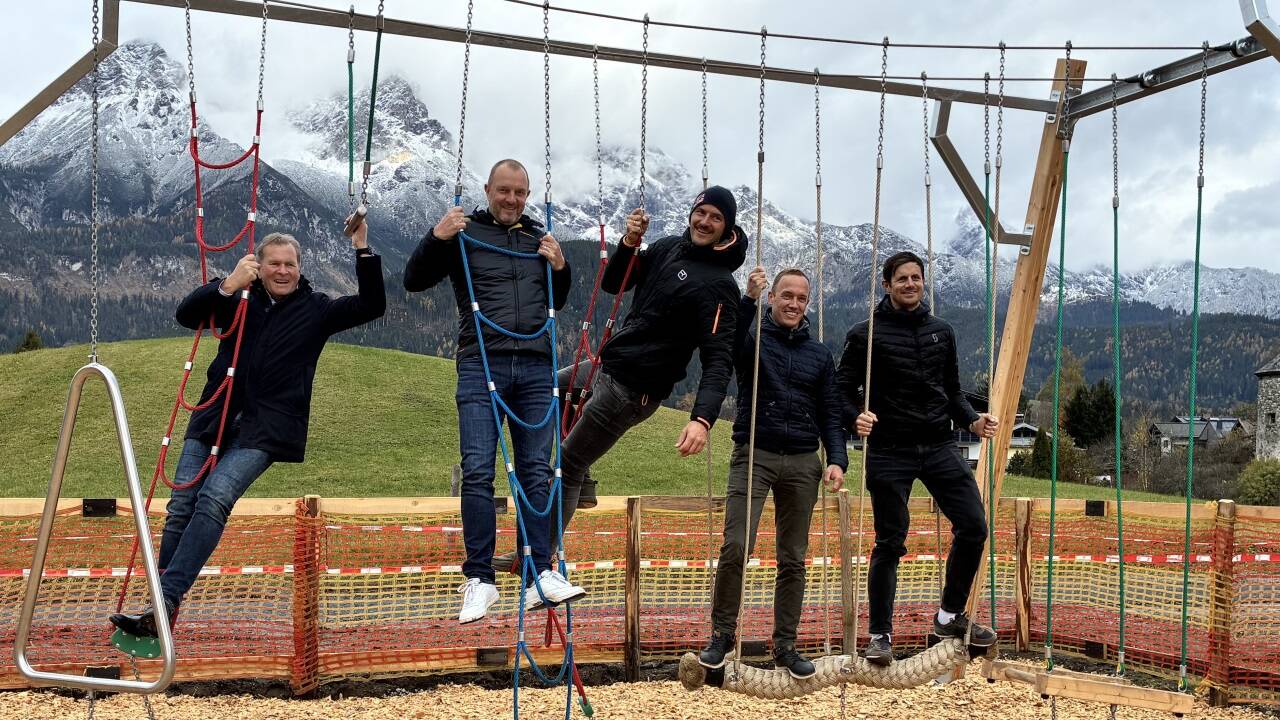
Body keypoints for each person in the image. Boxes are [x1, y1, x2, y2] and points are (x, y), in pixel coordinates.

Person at [110, 215, 386, 638]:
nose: (282, 271)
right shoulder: (239, 298)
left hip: (266, 430)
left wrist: (362, 247)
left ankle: (163, 602)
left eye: (289, 264)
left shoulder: (316, 310)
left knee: (214, 498)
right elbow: (186, 314)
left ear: (300, 268)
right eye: (274, 263)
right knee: (181, 506)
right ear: (259, 266)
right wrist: (227, 284)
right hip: (213, 415)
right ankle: (158, 610)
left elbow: (372, 305)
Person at [404, 159, 585, 624]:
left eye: (519, 192)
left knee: (536, 472)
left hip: (536, 366)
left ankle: (539, 573)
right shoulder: (465, 233)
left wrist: (561, 267)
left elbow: (557, 299)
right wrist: (437, 236)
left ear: (528, 195)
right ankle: (480, 579)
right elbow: (413, 280)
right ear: (487, 190)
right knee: (479, 469)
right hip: (481, 361)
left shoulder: (537, 238)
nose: (511, 199)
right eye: (504, 190)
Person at [836, 250, 999, 666]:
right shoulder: (864, 334)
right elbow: (841, 390)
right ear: (886, 285)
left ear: (923, 282)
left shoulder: (941, 331)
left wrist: (973, 420)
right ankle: (880, 636)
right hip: (890, 450)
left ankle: (948, 616)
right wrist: (855, 416)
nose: (910, 284)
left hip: (939, 445)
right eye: (902, 279)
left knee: (975, 526)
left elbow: (953, 391)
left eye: (916, 278)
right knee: (890, 542)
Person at [557, 186, 748, 533]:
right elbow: (614, 284)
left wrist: (702, 420)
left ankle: (540, 555)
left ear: (726, 227)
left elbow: (719, 360)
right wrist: (629, 243)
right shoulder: (667, 248)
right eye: (701, 213)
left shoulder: (720, 286)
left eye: (716, 218)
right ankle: (581, 480)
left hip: (634, 390)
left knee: (565, 464)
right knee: (552, 388)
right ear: (691, 213)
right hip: (609, 367)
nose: (705, 222)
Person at [698, 266, 848, 679]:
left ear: (807, 303)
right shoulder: (754, 340)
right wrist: (746, 299)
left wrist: (837, 458)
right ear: (773, 298)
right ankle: (722, 636)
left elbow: (830, 411)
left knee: (793, 557)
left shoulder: (819, 355)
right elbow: (728, 344)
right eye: (787, 296)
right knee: (736, 546)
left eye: (801, 298)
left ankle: (785, 645)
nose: (794, 304)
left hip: (803, 460)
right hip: (755, 454)